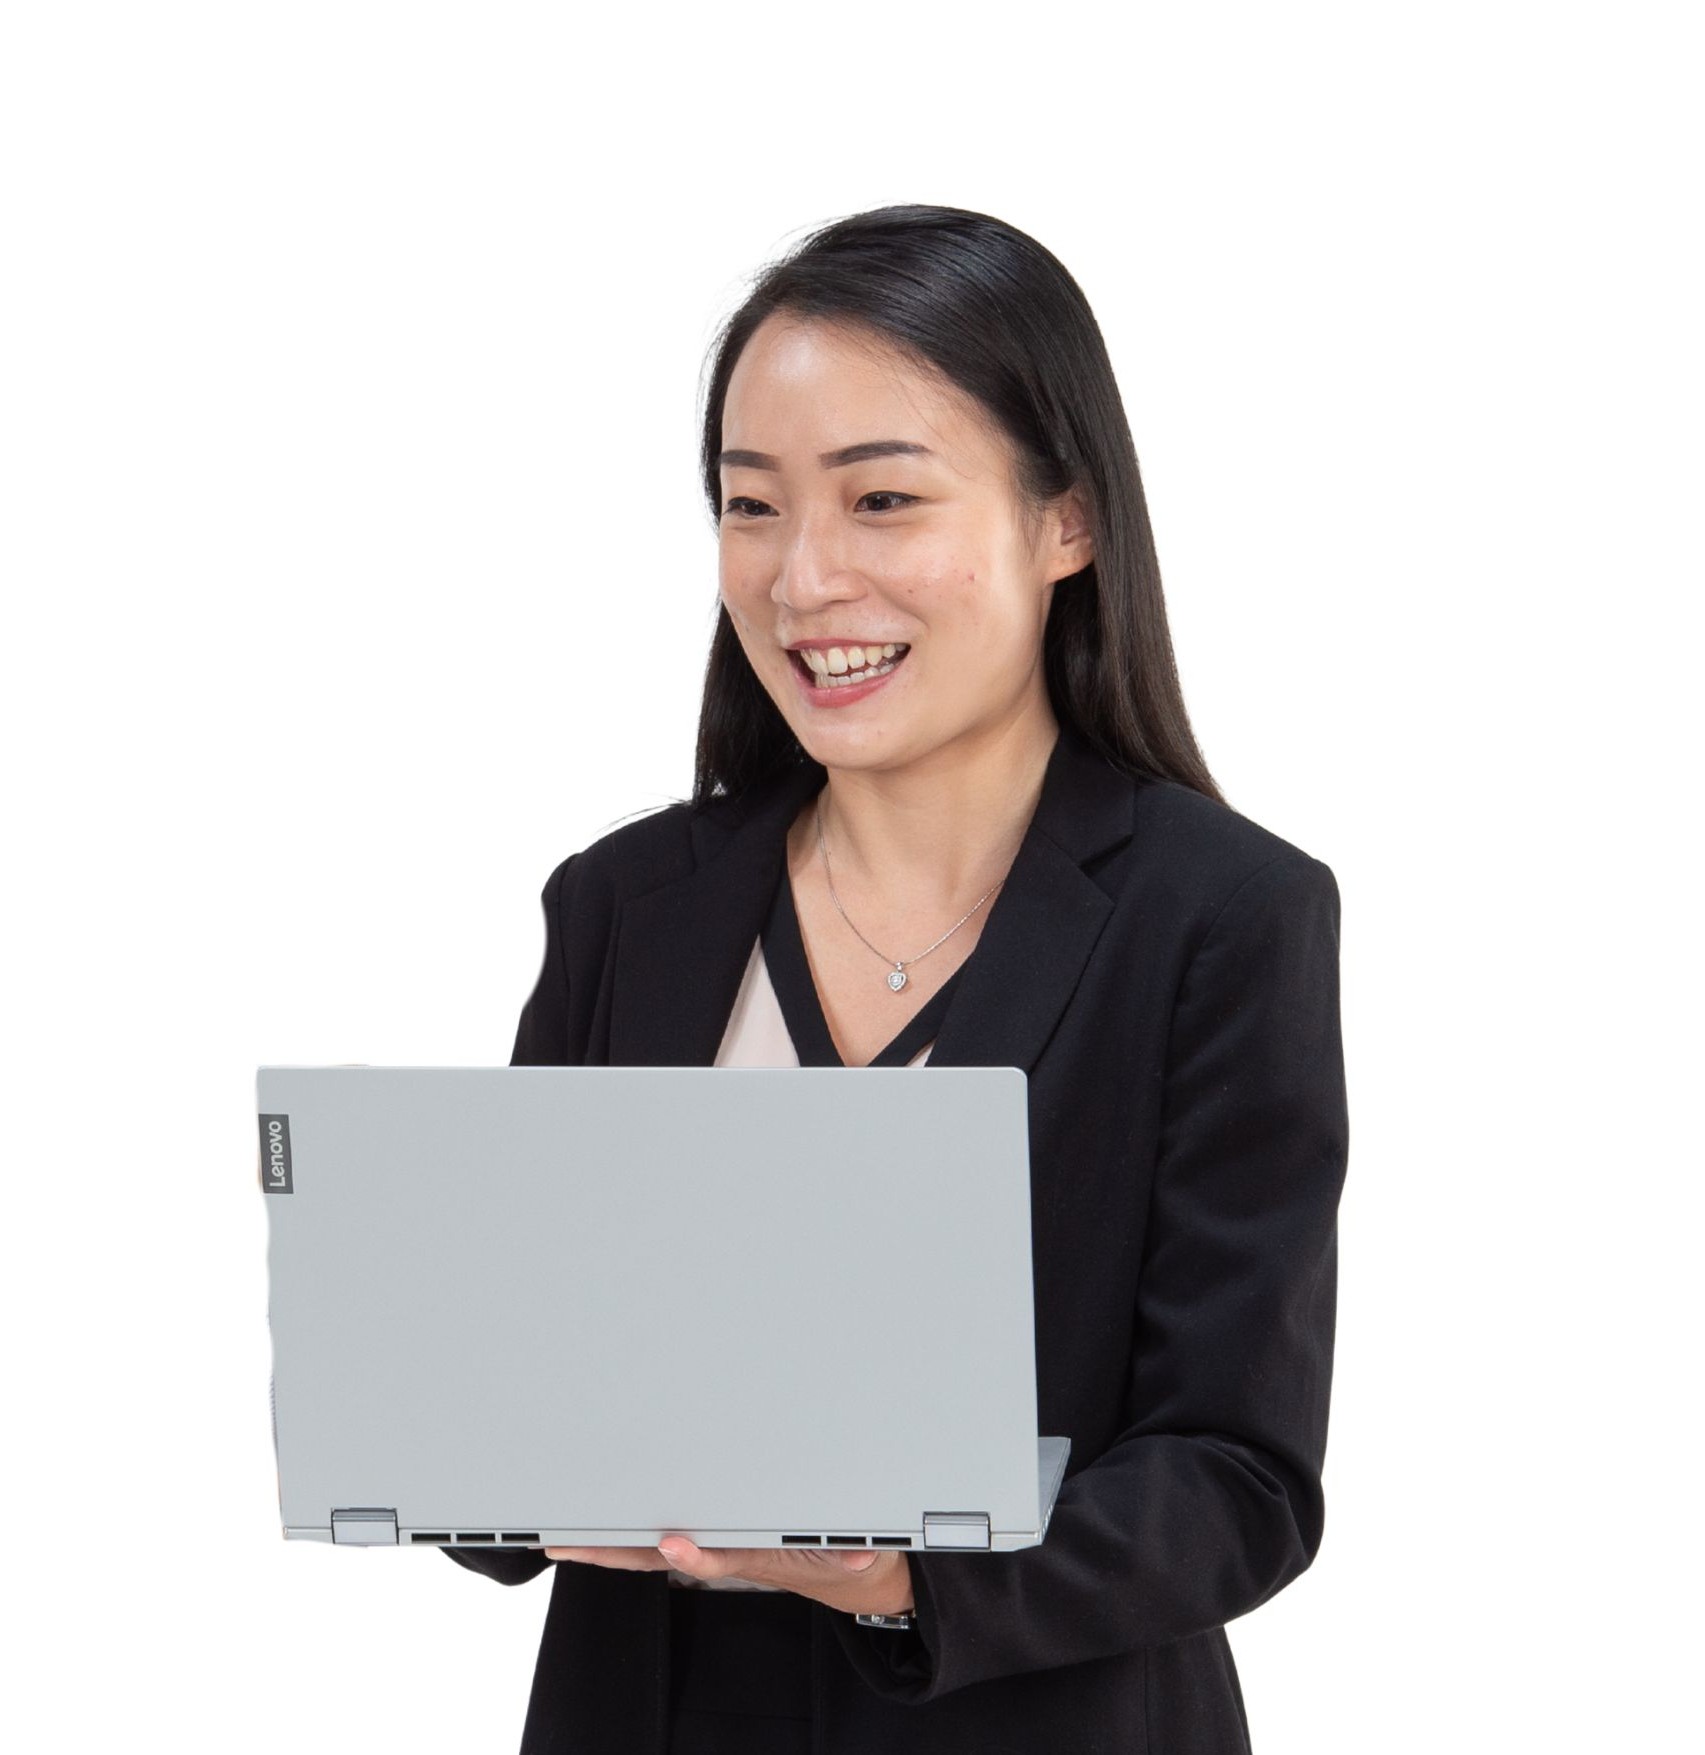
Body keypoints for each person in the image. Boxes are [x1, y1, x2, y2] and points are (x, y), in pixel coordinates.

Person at [445, 203, 1350, 1755]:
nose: (802, 578)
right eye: (751, 505)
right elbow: (514, 1414)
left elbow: (1236, 1477)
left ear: (1065, 522)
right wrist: (444, 1405)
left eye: (881, 500)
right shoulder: (626, 907)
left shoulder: (1219, 915)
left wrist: (900, 1577)